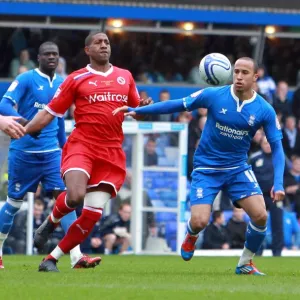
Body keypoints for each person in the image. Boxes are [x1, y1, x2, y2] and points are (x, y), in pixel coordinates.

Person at [113, 57, 285, 275]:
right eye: (236, 72)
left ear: (255, 77)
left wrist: (278, 183)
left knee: (261, 215)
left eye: (244, 73)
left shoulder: (264, 109)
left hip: (237, 168)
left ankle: (245, 263)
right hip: (207, 168)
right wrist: (140, 109)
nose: (239, 77)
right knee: (200, 220)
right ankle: (191, 234)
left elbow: (277, 148)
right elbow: (178, 103)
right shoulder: (214, 95)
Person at [24, 31, 151, 272]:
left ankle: (51, 259)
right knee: (75, 196)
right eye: (98, 42)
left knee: (92, 214)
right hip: (82, 145)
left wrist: (143, 107)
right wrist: (25, 129)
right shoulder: (76, 78)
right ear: (87, 50)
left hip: (112, 151)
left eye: (107, 42)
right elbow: (50, 112)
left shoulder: (125, 77)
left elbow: (136, 111)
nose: (104, 45)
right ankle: (52, 222)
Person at [0, 41, 98, 270]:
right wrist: (25, 123)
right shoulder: (26, 79)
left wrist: (66, 150)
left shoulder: (64, 84)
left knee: (66, 201)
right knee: (14, 204)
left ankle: (76, 256)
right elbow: (4, 104)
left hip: (53, 154)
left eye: (55, 54)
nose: (51, 57)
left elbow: (60, 120)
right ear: (39, 57)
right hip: (24, 153)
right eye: (47, 54)